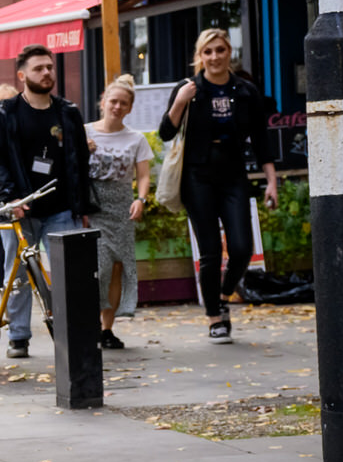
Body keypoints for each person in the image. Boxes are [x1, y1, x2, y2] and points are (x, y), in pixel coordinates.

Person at [159, 27, 280, 344]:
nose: (214, 57)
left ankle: (225, 293)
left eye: (220, 50)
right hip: (197, 177)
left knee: (242, 248)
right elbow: (164, 133)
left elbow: (261, 138)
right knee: (211, 251)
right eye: (208, 52)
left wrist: (271, 181)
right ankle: (215, 316)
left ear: (229, 53)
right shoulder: (188, 89)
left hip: (233, 176)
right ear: (200, 57)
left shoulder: (245, 91)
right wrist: (179, 104)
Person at [0, 44, 97, 361]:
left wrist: (82, 207)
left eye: (49, 67)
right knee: (16, 273)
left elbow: (80, 162)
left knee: (68, 273)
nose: (47, 73)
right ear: (22, 75)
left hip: (61, 208)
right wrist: (9, 197)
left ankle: (72, 334)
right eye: (38, 68)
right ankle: (18, 337)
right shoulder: (6, 114)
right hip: (20, 208)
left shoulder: (68, 112)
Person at [85, 76, 155, 350]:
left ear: (129, 108)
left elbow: (144, 174)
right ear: (103, 102)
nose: (116, 106)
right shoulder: (85, 132)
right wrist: (81, 149)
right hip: (93, 207)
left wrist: (141, 199)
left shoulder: (136, 138)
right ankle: (90, 323)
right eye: (113, 101)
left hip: (122, 207)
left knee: (117, 268)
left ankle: (106, 329)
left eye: (123, 103)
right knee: (99, 268)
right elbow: (69, 167)